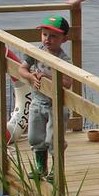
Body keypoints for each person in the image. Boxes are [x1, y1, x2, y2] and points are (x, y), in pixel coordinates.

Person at [17, 15, 73, 179]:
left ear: (64, 39)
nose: (48, 39)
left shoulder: (63, 59)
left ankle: (57, 169)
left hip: (56, 105)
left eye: (53, 36)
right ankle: (41, 167)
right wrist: (30, 77)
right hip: (37, 102)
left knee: (54, 138)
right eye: (45, 34)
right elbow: (22, 69)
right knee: (35, 136)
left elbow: (68, 83)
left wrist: (47, 78)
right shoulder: (36, 52)